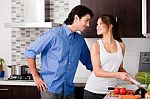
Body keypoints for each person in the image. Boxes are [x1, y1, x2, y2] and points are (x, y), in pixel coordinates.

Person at [24, 5, 94, 99]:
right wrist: (36, 77)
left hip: (69, 92)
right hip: (49, 90)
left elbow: (89, 62)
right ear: (76, 17)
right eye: (86, 20)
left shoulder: (80, 40)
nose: (88, 24)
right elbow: (30, 52)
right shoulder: (53, 35)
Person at [84, 14, 132, 99]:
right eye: (97, 24)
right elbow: (97, 72)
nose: (97, 27)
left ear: (110, 26)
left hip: (111, 92)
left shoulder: (121, 46)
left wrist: (131, 77)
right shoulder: (96, 46)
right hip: (93, 92)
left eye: (100, 23)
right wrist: (119, 75)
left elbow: (120, 68)